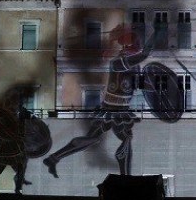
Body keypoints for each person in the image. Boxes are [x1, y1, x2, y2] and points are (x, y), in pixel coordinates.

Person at [44, 22, 163, 177]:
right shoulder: (120, 62)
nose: (138, 47)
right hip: (114, 111)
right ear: (129, 47)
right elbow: (144, 54)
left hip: (116, 109)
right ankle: (125, 178)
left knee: (93, 138)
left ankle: (53, 159)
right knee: (123, 138)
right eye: (137, 44)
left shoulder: (130, 65)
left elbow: (138, 84)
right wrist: (157, 33)